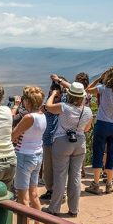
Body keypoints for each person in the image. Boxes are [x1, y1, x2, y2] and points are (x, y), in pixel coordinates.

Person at [42, 82, 93, 216]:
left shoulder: (64, 107)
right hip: (80, 142)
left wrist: (53, 94)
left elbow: (48, 107)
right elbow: (87, 129)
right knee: (75, 177)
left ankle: (54, 208)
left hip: (62, 142)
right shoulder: (87, 110)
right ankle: (74, 209)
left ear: (69, 95)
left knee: (60, 176)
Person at [85, 67, 113, 195]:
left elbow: (87, 90)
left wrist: (99, 79)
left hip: (102, 124)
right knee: (112, 154)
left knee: (98, 153)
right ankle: (109, 184)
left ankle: (95, 184)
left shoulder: (103, 89)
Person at [11, 86, 47, 224]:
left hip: (24, 157)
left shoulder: (28, 118)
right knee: (34, 195)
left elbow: (13, 135)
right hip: (37, 156)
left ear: (28, 101)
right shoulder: (42, 116)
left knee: (22, 199)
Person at [39, 75, 68, 203]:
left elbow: (73, 89)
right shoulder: (48, 103)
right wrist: (52, 96)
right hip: (48, 139)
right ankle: (50, 190)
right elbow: (43, 108)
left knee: (59, 168)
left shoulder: (65, 103)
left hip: (59, 140)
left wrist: (59, 82)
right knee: (48, 168)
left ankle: (60, 192)